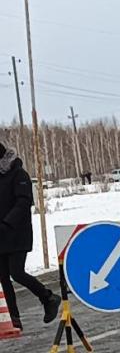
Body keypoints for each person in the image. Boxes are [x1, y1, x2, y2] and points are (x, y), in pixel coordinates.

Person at [0, 140, 60, 329]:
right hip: (1, 235)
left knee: (16, 273)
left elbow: (24, 202)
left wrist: (7, 223)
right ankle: (13, 319)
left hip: (17, 233)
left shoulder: (19, 174)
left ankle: (48, 298)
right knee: (2, 277)